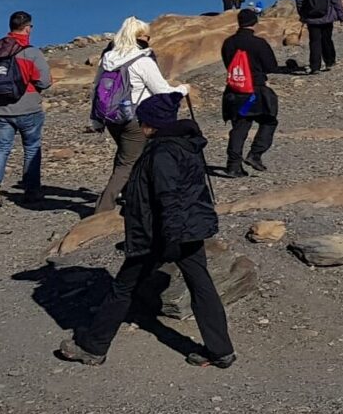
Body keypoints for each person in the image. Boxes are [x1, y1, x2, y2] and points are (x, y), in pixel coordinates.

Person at [58, 92, 235, 369]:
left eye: (143, 122)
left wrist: (170, 238)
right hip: (190, 228)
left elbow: (167, 197)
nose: (140, 127)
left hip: (161, 233)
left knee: (122, 288)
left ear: (155, 124)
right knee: (201, 285)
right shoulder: (185, 144)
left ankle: (92, 347)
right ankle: (221, 351)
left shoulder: (162, 152)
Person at [93, 17, 191, 214]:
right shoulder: (142, 60)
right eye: (148, 36)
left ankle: (129, 193)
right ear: (140, 37)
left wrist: (95, 119)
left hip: (112, 115)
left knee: (125, 154)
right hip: (135, 117)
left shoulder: (108, 58)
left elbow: (96, 88)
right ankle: (103, 208)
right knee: (128, 161)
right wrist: (182, 89)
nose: (149, 39)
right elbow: (161, 90)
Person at [0, 11, 51, 208]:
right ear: (27, 27)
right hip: (28, 107)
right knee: (31, 148)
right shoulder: (31, 52)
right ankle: (32, 191)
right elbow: (45, 81)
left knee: (0, 148)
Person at [219, 8, 279, 178]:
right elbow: (270, 66)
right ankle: (255, 154)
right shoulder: (258, 43)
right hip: (254, 93)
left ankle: (233, 166)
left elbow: (227, 64)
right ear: (254, 23)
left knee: (240, 126)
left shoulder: (228, 43)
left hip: (234, 91)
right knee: (268, 120)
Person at [295, 0, 343, 74]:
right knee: (327, 40)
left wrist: (303, 15)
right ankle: (330, 62)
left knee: (314, 42)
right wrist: (342, 17)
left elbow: (299, 1)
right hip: (327, 19)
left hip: (312, 20)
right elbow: (336, 1)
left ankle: (315, 67)